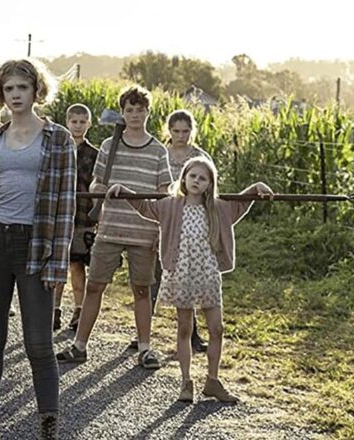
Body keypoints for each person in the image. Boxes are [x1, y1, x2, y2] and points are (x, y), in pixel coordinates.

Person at [0, 58, 75, 439]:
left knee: (38, 343)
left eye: (22, 88)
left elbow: (65, 205)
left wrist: (57, 264)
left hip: (36, 244)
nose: (15, 95)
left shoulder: (58, 138)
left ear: (36, 90)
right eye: (8, 89)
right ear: (0, 93)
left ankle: (49, 424)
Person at [107, 156, 273, 403]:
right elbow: (144, 206)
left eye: (203, 178)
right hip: (181, 273)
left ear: (210, 184)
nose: (197, 181)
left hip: (207, 274)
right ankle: (186, 381)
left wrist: (257, 187)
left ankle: (213, 381)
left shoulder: (218, 208)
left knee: (217, 328)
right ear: (183, 178)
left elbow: (242, 202)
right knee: (185, 327)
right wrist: (124, 192)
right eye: (193, 176)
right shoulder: (170, 206)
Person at [56, 85, 171, 370]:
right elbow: (96, 184)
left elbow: (163, 193)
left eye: (139, 110)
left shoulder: (158, 150)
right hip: (109, 227)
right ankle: (80, 345)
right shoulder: (109, 145)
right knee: (94, 286)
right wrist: (103, 189)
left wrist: (160, 231)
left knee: (142, 290)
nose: (134, 115)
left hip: (143, 231)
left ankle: (145, 348)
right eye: (129, 110)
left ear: (147, 112)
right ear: (122, 113)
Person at [153, 109, 214, 352]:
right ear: (169, 131)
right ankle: (145, 331)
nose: (180, 135)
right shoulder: (162, 154)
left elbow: (211, 185)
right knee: (158, 273)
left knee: (189, 276)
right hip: (167, 218)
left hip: (192, 221)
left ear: (192, 131)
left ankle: (192, 334)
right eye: (176, 131)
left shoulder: (200, 156)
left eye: (185, 131)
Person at [53, 103, 98, 332]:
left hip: (82, 216)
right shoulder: (59, 149)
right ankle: (54, 309)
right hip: (60, 214)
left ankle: (79, 310)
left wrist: (95, 216)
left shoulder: (94, 154)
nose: (78, 126)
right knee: (58, 263)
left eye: (82, 122)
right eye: (74, 122)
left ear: (89, 124)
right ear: (67, 122)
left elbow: (96, 183)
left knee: (77, 265)